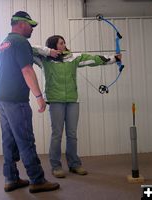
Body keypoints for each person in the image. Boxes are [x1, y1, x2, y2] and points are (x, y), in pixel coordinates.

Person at [33, 35, 122, 178]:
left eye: (64, 43)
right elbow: (30, 49)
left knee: (72, 134)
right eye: (61, 43)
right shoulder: (44, 60)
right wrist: (48, 52)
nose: (64, 45)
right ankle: (56, 166)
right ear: (53, 45)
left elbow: (94, 59)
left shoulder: (72, 57)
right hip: (55, 100)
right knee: (57, 134)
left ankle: (74, 164)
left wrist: (114, 59)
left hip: (73, 100)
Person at [0, 11, 60, 193]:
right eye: (31, 25)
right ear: (21, 23)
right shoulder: (21, 42)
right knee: (26, 140)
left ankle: (11, 178)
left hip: (0, 98)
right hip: (15, 100)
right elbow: (27, 70)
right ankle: (37, 180)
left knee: (9, 141)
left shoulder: (3, 43)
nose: (32, 29)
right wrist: (39, 97)